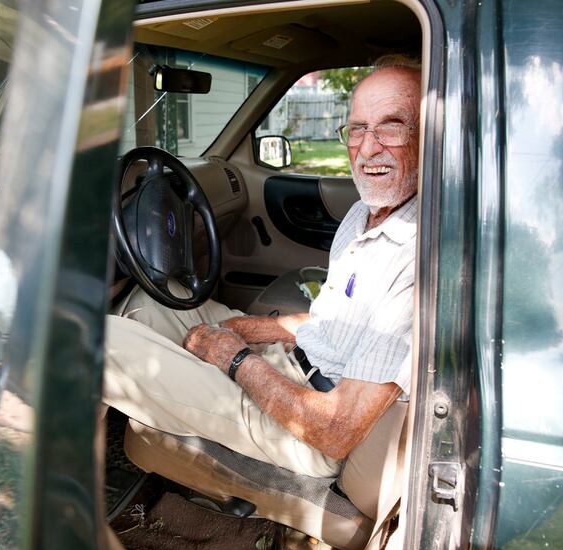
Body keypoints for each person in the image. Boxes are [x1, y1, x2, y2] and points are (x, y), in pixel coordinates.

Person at [103, 57, 421, 478]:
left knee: (93, 338)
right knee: (150, 301)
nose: (367, 148)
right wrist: (247, 331)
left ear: (431, 135)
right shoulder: (365, 213)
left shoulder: (419, 258)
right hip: (294, 367)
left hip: (309, 427)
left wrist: (235, 360)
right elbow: (332, 320)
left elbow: (336, 431)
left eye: (391, 126)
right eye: (358, 128)